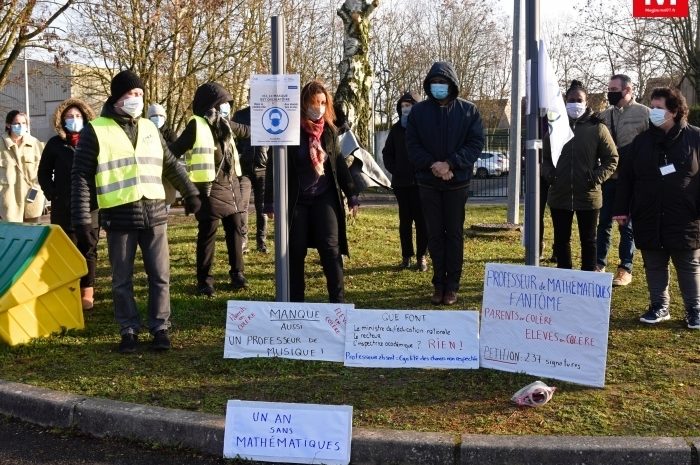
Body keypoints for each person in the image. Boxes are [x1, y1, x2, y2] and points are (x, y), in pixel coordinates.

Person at [71, 69, 201, 353]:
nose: (137, 99)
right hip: (119, 216)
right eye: (132, 94)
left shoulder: (150, 128)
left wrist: (190, 192)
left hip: (154, 212)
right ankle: (128, 329)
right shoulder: (96, 129)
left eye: (140, 94)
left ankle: (160, 327)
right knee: (121, 279)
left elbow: (170, 164)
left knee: (160, 275)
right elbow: (80, 175)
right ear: (118, 98)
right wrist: (82, 217)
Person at [264, 80, 359, 303]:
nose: (319, 107)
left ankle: (338, 303)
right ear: (304, 103)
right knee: (294, 251)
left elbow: (338, 164)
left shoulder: (329, 132)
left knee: (330, 248)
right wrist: (270, 201)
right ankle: (296, 304)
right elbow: (273, 166)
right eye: (314, 102)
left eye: (323, 102)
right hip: (297, 199)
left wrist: (352, 194)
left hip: (324, 197)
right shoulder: (288, 131)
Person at [613, 87, 700, 329]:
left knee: (688, 264)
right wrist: (621, 209)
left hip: (685, 216)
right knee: (654, 263)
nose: (654, 112)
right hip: (648, 214)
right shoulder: (641, 142)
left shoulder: (695, 138)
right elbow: (627, 178)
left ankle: (695, 310)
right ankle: (659, 306)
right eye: (652, 107)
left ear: (674, 111)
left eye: (659, 108)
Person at [405, 61, 484, 306]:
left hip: (457, 183)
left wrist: (450, 163)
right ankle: (438, 283)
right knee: (434, 235)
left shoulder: (469, 111)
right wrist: (434, 166)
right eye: (435, 82)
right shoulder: (419, 112)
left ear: (452, 84)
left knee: (454, 234)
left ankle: (453, 285)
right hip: (428, 183)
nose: (439, 86)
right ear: (429, 85)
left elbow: (475, 143)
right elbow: (412, 145)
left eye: (443, 82)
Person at [170, 82, 250, 297]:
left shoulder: (226, 125)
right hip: (208, 190)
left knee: (236, 230)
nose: (226, 108)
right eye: (223, 103)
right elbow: (173, 152)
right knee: (207, 235)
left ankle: (237, 274)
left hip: (231, 186)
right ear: (211, 105)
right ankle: (204, 281)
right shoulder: (196, 125)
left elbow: (247, 131)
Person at [541, 80, 618, 272]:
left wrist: (595, 178)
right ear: (565, 101)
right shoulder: (555, 126)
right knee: (561, 240)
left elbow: (612, 159)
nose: (575, 103)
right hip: (560, 194)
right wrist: (551, 175)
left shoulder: (597, 128)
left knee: (589, 240)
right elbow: (544, 158)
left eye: (579, 99)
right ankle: (565, 277)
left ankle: (588, 279)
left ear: (586, 101)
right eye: (572, 99)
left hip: (588, 196)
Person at [38, 98, 99, 311]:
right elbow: (43, 172)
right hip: (63, 207)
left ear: (85, 117)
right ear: (62, 120)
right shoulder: (55, 144)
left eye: (78, 116)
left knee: (88, 248)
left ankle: (87, 291)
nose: (74, 120)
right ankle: (69, 289)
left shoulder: (94, 141)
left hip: (90, 205)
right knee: (68, 249)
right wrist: (53, 193)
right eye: (69, 117)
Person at [597, 74, 650, 285]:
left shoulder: (644, 113)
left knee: (626, 225)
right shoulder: (603, 115)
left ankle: (625, 267)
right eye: (609, 88)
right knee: (604, 223)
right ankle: (598, 264)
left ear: (628, 90)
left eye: (614, 88)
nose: (610, 92)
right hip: (610, 178)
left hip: (632, 180)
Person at [383, 91, 428, 272]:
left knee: (422, 222)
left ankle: (422, 256)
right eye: (403, 106)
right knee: (405, 222)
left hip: (421, 184)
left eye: (409, 105)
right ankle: (406, 256)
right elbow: (387, 153)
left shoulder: (424, 129)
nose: (406, 108)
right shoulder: (396, 129)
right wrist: (396, 169)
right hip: (402, 185)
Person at [233, 106, 270, 254]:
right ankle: (243, 242)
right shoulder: (240, 115)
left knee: (263, 208)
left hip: (263, 169)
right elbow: (233, 140)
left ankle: (262, 242)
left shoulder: (268, 113)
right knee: (242, 206)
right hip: (244, 170)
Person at [1, 111, 45, 222]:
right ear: (8, 125)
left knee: (33, 236)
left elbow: (44, 170)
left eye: (24, 123)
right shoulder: (1, 145)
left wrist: (39, 189)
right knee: (11, 236)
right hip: (7, 202)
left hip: (32, 200)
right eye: (16, 123)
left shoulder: (35, 144)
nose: (20, 126)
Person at [147, 103, 178, 208]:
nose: (157, 118)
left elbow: (174, 152)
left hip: (166, 181)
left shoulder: (171, 134)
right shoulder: (144, 132)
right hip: (149, 180)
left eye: (160, 116)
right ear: (149, 118)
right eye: (154, 116)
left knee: (164, 212)